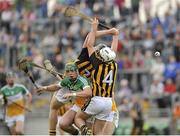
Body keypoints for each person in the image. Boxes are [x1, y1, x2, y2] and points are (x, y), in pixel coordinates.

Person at [75, 18, 119, 135]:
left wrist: (94, 28)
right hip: (108, 102)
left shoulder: (97, 64)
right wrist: (115, 35)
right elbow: (113, 50)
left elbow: (89, 44)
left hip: (97, 99)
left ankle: (85, 130)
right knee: (98, 133)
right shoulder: (114, 64)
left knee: (78, 118)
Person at [36, 62, 92, 135]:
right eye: (68, 71)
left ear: (77, 71)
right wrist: (45, 88)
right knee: (63, 124)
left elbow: (88, 93)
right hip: (78, 105)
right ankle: (76, 133)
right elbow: (56, 86)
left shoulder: (82, 81)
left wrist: (72, 94)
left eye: (72, 71)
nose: (70, 73)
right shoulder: (67, 80)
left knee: (88, 130)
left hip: (89, 106)